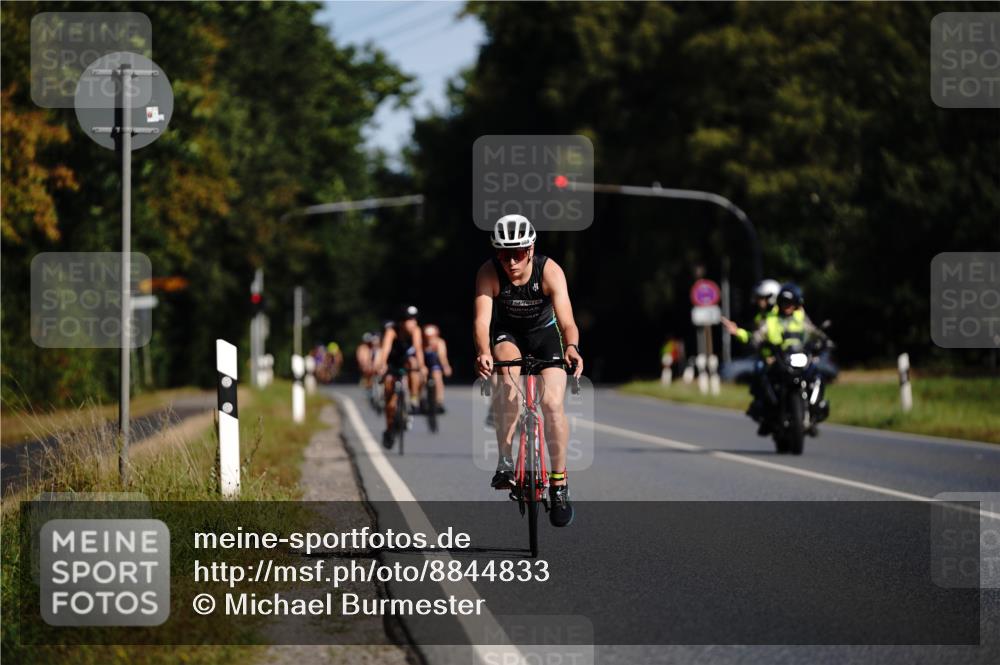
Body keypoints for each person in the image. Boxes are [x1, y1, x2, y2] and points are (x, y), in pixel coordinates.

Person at [474, 214, 583, 528]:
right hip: (509, 336)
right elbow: (482, 322)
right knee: (507, 380)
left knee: (551, 405)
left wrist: (572, 347)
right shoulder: (488, 272)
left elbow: (567, 321)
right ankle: (506, 460)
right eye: (503, 254)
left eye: (518, 253)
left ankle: (559, 484)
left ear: (531, 249)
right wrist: (483, 352)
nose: (510, 261)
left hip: (545, 337)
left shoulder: (549, 271)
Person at [749, 283, 829, 434]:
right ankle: (767, 415)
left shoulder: (800, 318)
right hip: (779, 358)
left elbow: (813, 331)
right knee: (764, 377)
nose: (787, 306)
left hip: (799, 356)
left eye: (791, 303)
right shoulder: (771, 319)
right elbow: (759, 333)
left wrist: (823, 340)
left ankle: (814, 410)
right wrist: (757, 341)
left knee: (817, 376)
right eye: (784, 303)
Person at [721, 279, 781, 426]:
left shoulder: (786, 315)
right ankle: (762, 410)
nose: (759, 301)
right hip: (768, 358)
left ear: (771, 298)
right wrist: (737, 332)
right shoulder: (760, 317)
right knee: (758, 373)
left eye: (762, 298)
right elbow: (753, 338)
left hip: (787, 357)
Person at [375, 305, 425, 448]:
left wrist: (422, 367)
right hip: (392, 363)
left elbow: (418, 349)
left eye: (415, 319)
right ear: (402, 322)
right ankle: (389, 429)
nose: (413, 323)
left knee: (414, 364)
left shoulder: (416, 331)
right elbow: (385, 350)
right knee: (390, 400)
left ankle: (414, 399)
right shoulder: (392, 331)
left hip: (406, 361)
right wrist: (382, 364)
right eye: (409, 320)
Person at [422, 324, 452, 413]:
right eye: (427, 337)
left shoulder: (440, 342)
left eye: (431, 336)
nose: (429, 339)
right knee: (420, 377)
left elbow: (442, 356)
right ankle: (421, 399)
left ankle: (439, 402)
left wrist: (446, 367)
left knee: (437, 376)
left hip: (435, 365)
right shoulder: (421, 343)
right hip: (424, 365)